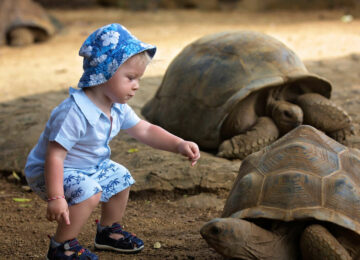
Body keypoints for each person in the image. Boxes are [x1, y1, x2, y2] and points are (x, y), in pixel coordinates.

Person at [24, 23, 200, 260]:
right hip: (53, 173)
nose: (137, 85)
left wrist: (178, 144)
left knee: (121, 177)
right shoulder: (73, 112)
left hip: (89, 168)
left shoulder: (117, 107)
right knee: (90, 192)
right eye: (130, 78)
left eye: (138, 78)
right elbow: (54, 156)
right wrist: (56, 198)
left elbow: (145, 130)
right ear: (104, 73)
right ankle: (61, 246)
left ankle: (108, 231)